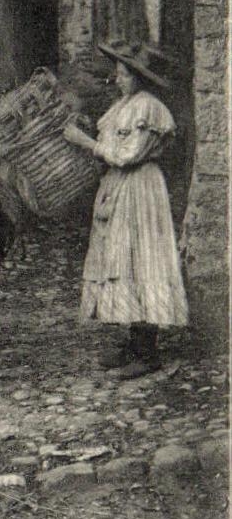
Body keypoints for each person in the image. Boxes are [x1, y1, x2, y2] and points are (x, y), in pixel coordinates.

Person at [63, 41, 188, 378]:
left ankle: (148, 352)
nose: (117, 79)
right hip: (120, 187)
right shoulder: (125, 105)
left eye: (123, 74)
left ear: (138, 78)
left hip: (140, 189)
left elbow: (127, 155)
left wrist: (86, 142)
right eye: (117, 73)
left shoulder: (149, 109)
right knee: (123, 260)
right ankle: (134, 341)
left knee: (142, 260)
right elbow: (113, 147)